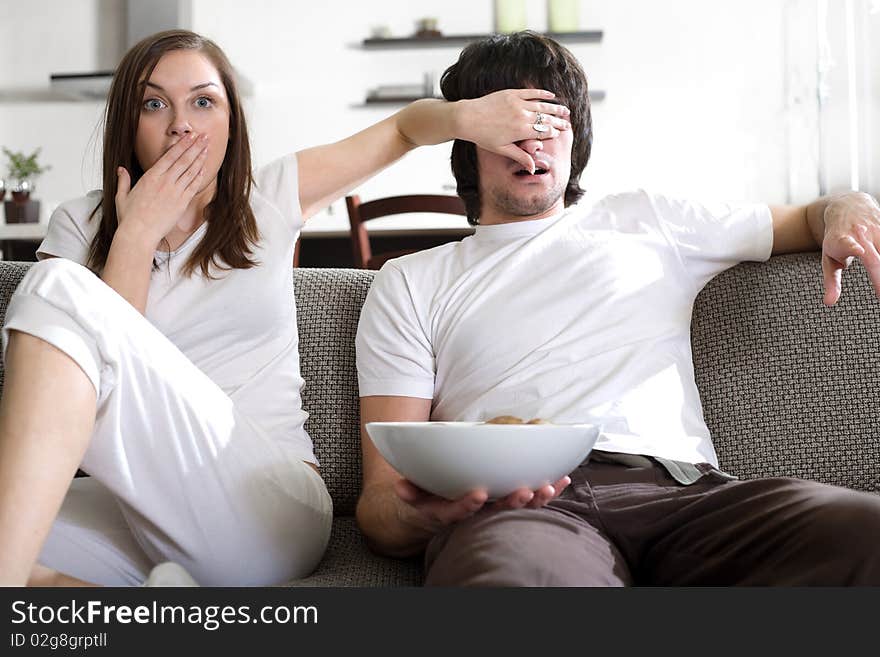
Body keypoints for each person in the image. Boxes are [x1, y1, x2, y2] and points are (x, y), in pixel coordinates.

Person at [0, 29, 573, 587]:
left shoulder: (266, 199)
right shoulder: (82, 222)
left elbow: (401, 129)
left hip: (265, 501)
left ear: (231, 122)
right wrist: (135, 235)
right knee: (16, 537)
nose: (180, 124)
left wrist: (461, 119)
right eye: (154, 104)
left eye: (203, 102)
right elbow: (98, 374)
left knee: (55, 286)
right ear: (129, 121)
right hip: (137, 500)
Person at [354, 31, 880, 586]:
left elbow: (812, 215)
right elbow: (381, 505)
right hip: (523, 508)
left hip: (686, 496)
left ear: (575, 136)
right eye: (508, 124)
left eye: (551, 121)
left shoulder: (649, 219)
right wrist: (420, 514)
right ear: (466, 141)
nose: (532, 143)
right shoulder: (409, 282)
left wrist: (851, 207)